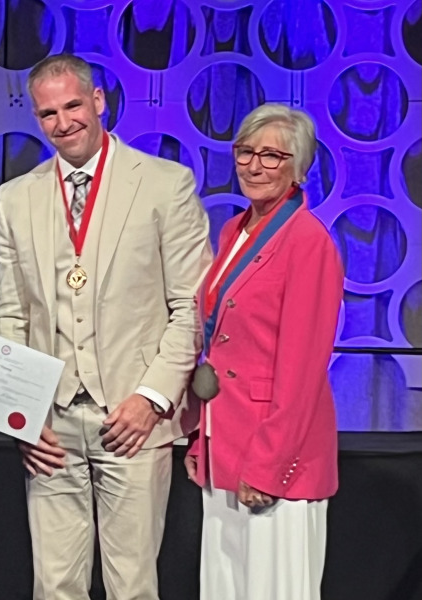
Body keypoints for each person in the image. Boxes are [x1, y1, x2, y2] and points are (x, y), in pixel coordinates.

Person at [0, 53, 213, 600]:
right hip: (51, 423)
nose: (63, 122)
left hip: (133, 421)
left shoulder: (165, 184)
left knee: (132, 587)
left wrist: (152, 398)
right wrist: (21, 413)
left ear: (98, 101)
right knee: (54, 586)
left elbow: (191, 307)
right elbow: (10, 312)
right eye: (47, 114)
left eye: (72, 106)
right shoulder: (17, 197)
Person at [184, 103, 344, 600]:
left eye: (272, 156)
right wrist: (200, 439)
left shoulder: (308, 242)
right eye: (246, 151)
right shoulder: (234, 230)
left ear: (299, 168)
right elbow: (222, 345)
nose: (254, 165)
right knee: (224, 589)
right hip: (225, 446)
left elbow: (301, 371)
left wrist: (269, 467)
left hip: (275, 461)